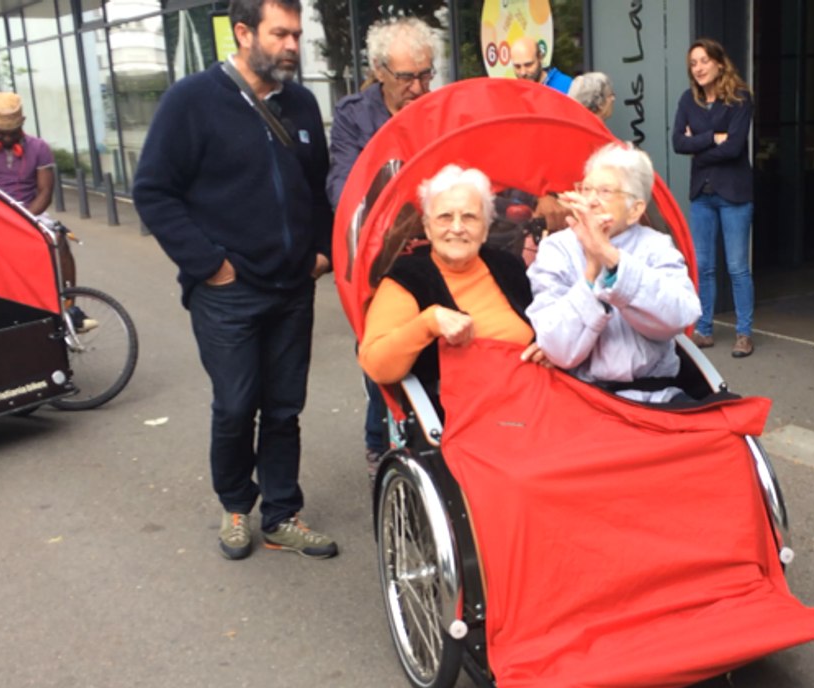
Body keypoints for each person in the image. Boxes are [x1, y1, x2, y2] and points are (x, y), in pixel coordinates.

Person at [133, 0, 336, 559]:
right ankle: (235, 508)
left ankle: (281, 514)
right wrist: (209, 265)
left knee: (284, 407)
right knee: (235, 404)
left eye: (297, 34)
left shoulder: (300, 103)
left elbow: (318, 188)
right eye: (280, 34)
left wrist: (321, 253)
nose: (292, 45)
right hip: (228, 292)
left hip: (293, 286)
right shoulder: (191, 102)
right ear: (243, 32)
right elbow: (153, 191)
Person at [326, 16, 440, 477]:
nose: (419, 87)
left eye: (427, 74)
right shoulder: (355, 115)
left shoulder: (439, 108)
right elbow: (343, 188)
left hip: (435, 251)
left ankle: (433, 436)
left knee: (437, 352)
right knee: (385, 355)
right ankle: (380, 442)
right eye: (407, 77)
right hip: (381, 260)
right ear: (379, 72)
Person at [524, 143, 701, 403]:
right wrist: (591, 271)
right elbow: (558, 349)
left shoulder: (655, 245)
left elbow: (680, 315)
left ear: (635, 210)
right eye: (586, 189)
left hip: (657, 395)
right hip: (581, 397)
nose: (591, 200)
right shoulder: (557, 248)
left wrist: (609, 256)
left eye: (605, 191)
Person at [359, 164, 536, 389]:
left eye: (470, 217)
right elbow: (377, 367)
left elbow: (543, 328)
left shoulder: (508, 266)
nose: (457, 227)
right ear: (428, 228)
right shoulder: (407, 279)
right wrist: (428, 323)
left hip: (532, 393)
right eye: (444, 217)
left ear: (485, 230)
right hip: (467, 408)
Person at [0, 92, 96, 331]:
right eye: (2, 133)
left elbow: (44, 192)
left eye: (13, 132)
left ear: (23, 122)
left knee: (60, 240)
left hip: (31, 213)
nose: (8, 137)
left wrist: (23, 219)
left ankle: (69, 306)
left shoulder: (40, 147)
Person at [671, 38, 755, 358]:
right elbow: (678, 142)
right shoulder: (687, 100)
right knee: (703, 266)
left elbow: (734, 148)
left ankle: (744, 333)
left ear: (719, 63)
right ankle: (704, 329)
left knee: (736, 267)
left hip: (734, 194)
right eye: (694, 63)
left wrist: (699, 147)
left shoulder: (739, 98)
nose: (699, 68)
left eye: (704, 60)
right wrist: (713, 138)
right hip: (701, 195)